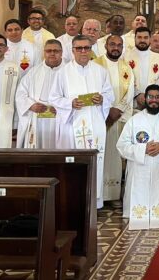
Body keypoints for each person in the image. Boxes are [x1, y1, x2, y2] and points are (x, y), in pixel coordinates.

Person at [50, 35, 114, 208]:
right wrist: (69, 103)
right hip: (72, 125)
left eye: (87, 48)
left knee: (96, 161)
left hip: (95, 123)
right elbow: (53, 98)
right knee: (74, 164)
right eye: (79, 48)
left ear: (91, 49)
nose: (83, 51)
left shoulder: (100, 71)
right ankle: (72, 201)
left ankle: (95, 202)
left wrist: (102, 99)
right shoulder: (63, 72)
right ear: (72, 50)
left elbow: (110, 95)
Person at [117, 84, 159, 229]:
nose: (153, 100)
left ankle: (157, 211)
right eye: (150, 97)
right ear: (145, 99)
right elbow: (121, 146)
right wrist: (143, 149)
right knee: (137, 207)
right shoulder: (134, 120)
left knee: (157, 203)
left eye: (157, 97)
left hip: (158, 169)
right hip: (138, 169)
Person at [94, 34, 135, 203]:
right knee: (100, 155)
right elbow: (93, 90)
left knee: (116, 157)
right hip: (100, 118)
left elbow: (130, 91)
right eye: (112, 44)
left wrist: (118, 110)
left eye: (119, 45)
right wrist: (106, 111)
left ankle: (113, 195)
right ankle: (98, 194)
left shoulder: (127, 68)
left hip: (118, 117)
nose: (116, 47)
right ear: (105, 46)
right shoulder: (95, 65)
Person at [16, 40, 64, 149]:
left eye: (56, 51)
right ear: (44, 52)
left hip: (60, 120)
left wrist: (62, 107)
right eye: (48, 51)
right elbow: (20, 94)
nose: (52, 53)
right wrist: (31, 105)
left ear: (61, 52)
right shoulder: (33, 72)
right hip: (37, 120)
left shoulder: (69, 71)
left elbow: (75, 95)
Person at [126, 27, 159, 113]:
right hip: (131, 104)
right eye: (139, 37)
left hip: (152, 104)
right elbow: (124, 81)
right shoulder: (126, 57)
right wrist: (137, 95)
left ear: (150, 39)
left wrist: (151, 98)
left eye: (145, 37)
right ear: (134, 38)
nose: (142, 40)